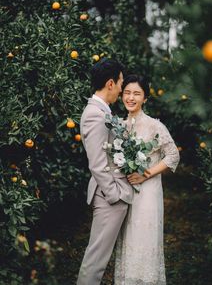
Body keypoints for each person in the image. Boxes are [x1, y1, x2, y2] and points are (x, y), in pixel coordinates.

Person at [114, 74, 180, 285]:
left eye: (136, 93)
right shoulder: (119, 127)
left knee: (144, 238)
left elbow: (173, 156)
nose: (130, 98)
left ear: (145, 98)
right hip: (126, 191)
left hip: (148, 192)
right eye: (127, 93)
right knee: (128, 238)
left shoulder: (154, 126)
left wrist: (146, 174)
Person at [77, 59, 134, 285]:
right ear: (110, 83)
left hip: (112, 194)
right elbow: (97, 163)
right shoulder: (95, 114)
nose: (122, 89)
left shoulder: (103, 111)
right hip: (109, 197)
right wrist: (114, 194)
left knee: (99, 256)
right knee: (96, 259)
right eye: (121, 83)